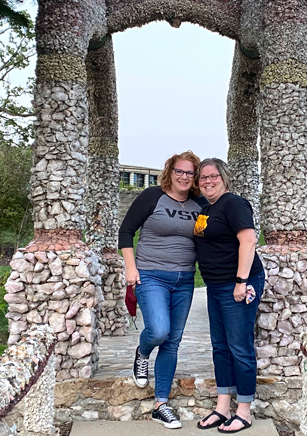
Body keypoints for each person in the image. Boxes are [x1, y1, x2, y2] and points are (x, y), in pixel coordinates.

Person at [118, 151, 206, 429]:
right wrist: (130, 268)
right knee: (158, 331)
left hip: (185, 279)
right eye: (179, 171)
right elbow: (126, 231)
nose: (184, 177)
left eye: (190, 173)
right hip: (150, 275)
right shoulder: (152, 196)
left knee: (172, 341)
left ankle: (161, 404)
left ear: (195, 177)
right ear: (170, 171)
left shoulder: (200, 204)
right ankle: (142, 353)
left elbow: (212, 232)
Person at [193, 158, 265, 434]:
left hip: (238, 284)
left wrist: (241, 281)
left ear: (224, 178)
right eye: (203, 178)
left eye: (213, 176)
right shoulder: (206, 207)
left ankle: (244, 411)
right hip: (215, 285)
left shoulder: (234, 204)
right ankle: (223, 407)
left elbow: (248, 240)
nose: (207, 181)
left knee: (239, 347)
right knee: (220, 346)